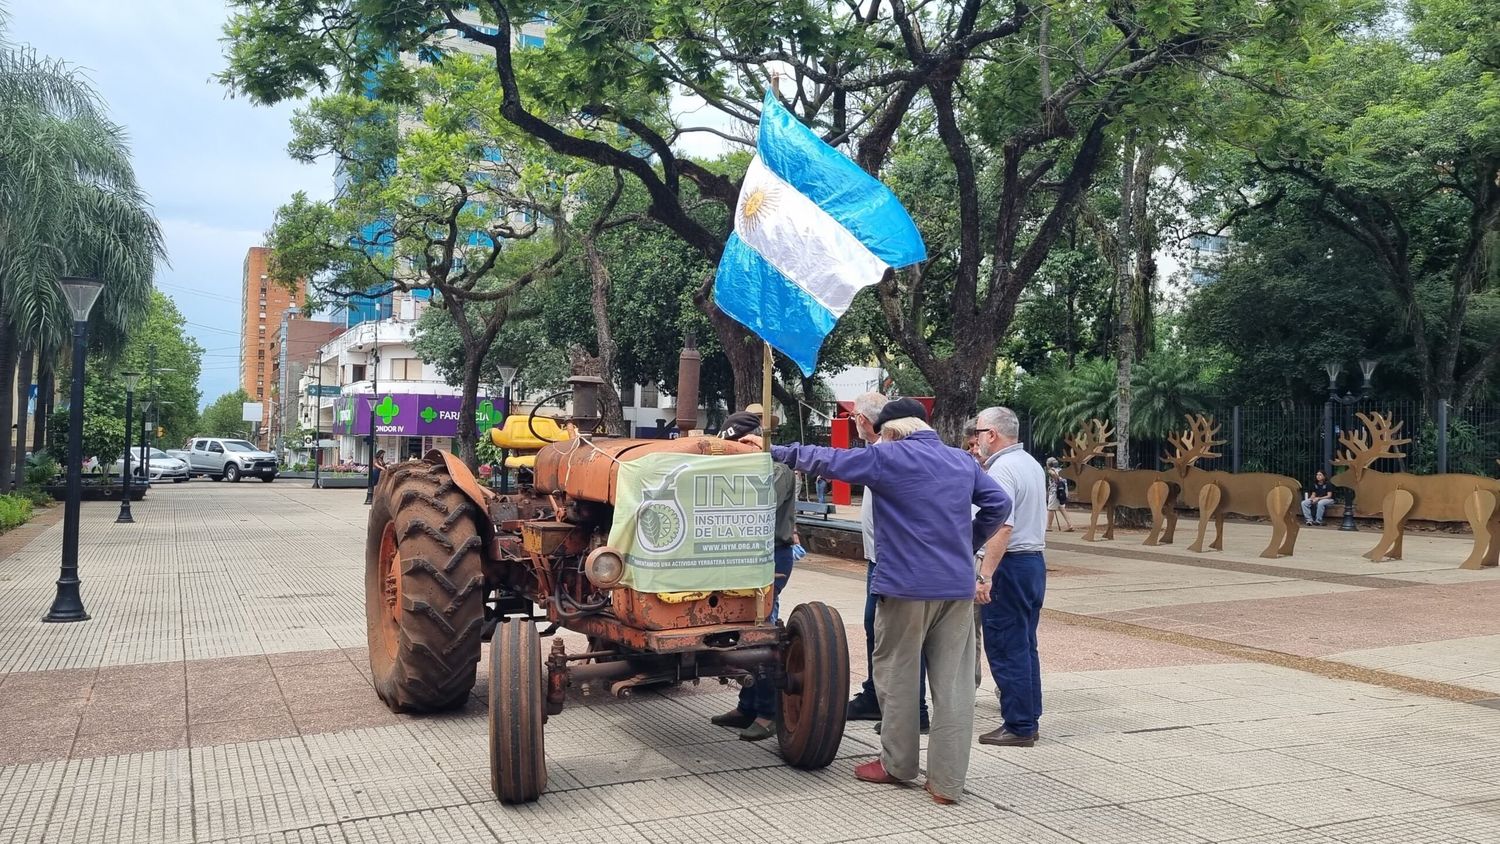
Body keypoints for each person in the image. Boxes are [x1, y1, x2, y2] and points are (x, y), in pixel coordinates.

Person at [751, 398, 1011, 804]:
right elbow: (1000, 504)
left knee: (897, 679)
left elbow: (826, 461)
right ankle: (946, 785)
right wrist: (968, 544)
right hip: (956, 591)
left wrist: (772, 450)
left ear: (890, 431)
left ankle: (898, 765)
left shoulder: (887, 457)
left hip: (905, 588)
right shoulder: (961, 462)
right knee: (955, 687)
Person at [842, 393, 931, 735]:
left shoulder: (888, 454)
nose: (854, 424)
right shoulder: (881, 452)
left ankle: (914, 709)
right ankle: (877, 695)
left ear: (864, 420)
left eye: (855, 419)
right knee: (875, 631)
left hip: (894, 563)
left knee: (905, 637)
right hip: (880, 559)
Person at [709, 410, 801, 742]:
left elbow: (752, 505)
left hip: (769, 556)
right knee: (740, 630)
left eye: (735, 445)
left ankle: (767, 712)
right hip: (742, 555)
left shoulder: (776, 471)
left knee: (760, 631)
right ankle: (747, 706)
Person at [971, 407, 1048, 747]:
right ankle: (1028, 716)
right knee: (1025, 644)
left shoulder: (1001, 470)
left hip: (1009, 564)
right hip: (1032, 562)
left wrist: (985, 574)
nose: (975, 438)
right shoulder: (1030, 464)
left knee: (1005, 645)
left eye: (979, 431)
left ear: (992, 434)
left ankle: (1018, 725)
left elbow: (1002, 525)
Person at [1045, 457, 1074, 532]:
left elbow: (1053, 475)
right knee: (1062, 508)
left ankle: (1049, 526)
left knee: (1050, 509)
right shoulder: (1061, 470)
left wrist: (1057, 479)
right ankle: (1070, 524)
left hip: (1055, 492)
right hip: (1063, 491)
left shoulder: (1051, 470)